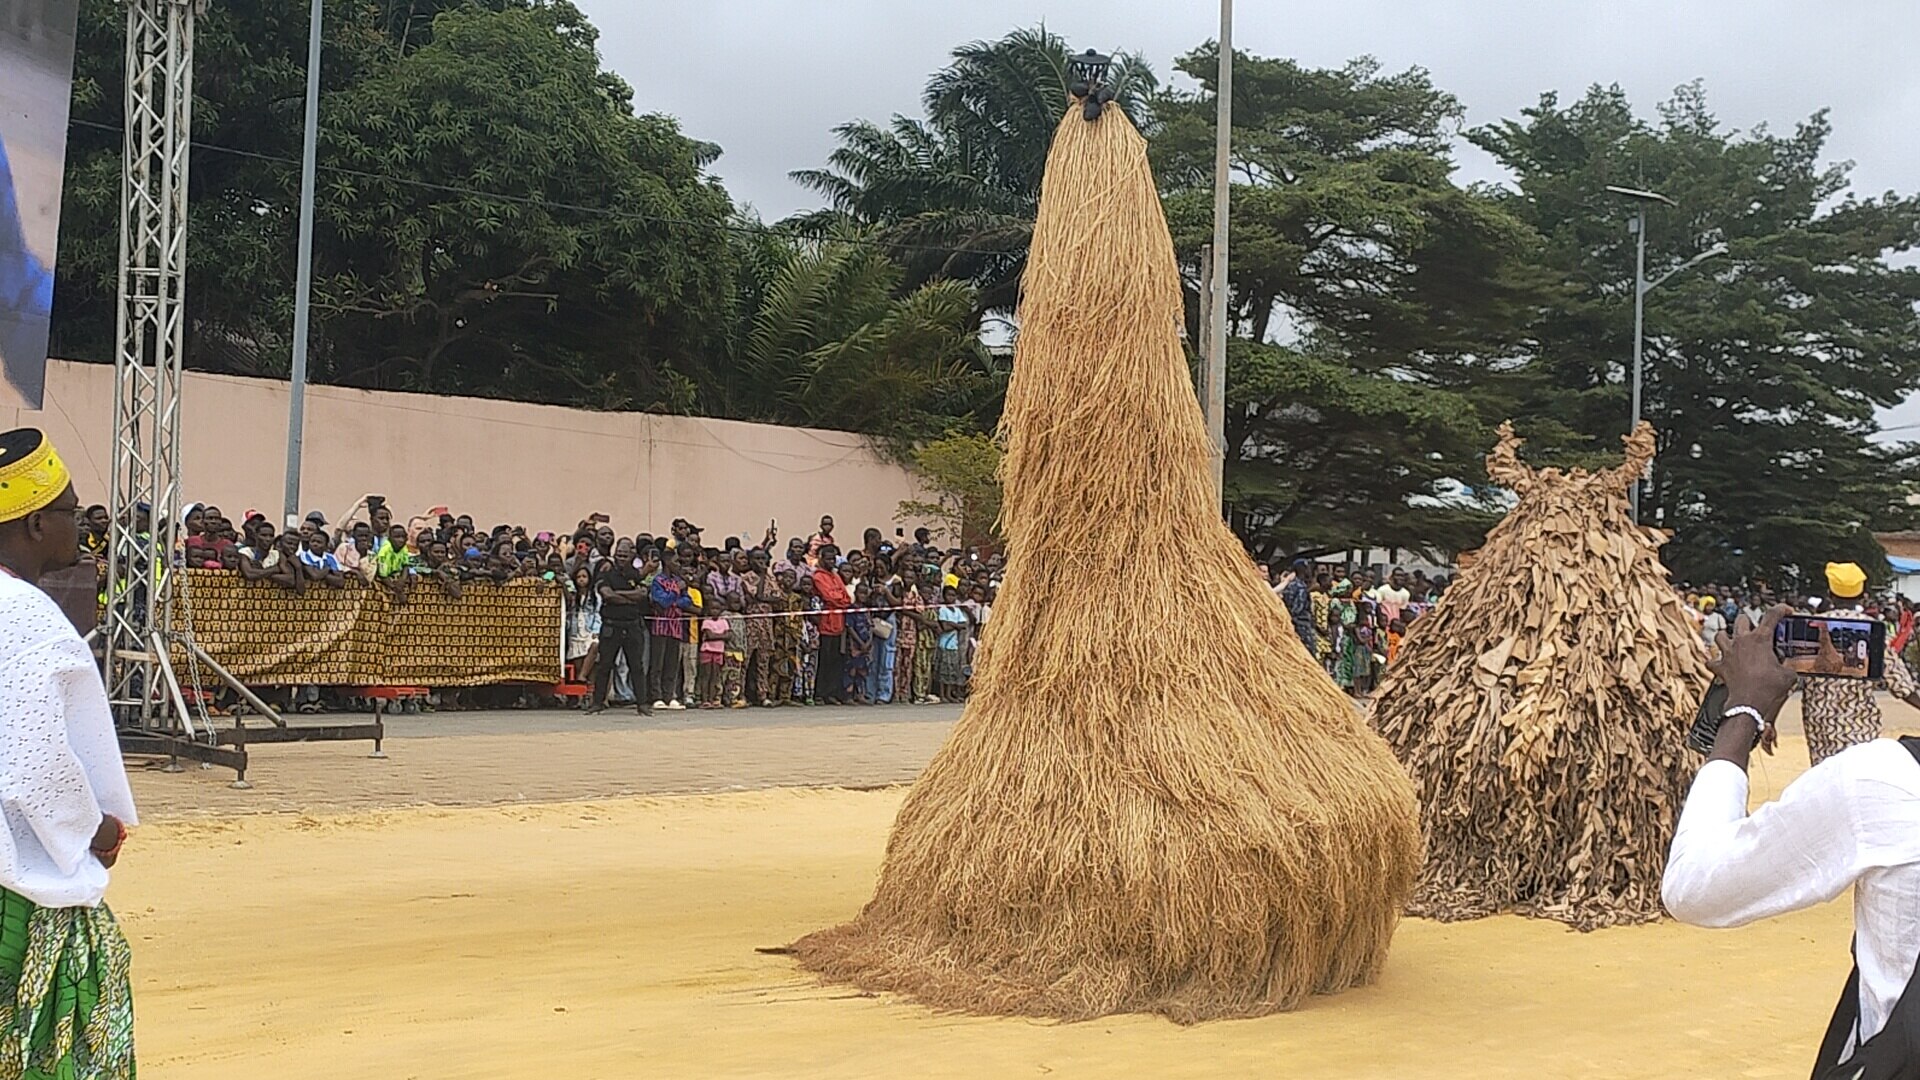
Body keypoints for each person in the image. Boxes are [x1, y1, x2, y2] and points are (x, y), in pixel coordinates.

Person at [1664, 604, 1920, 1077]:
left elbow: (1691, 888)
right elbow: (1904, 687)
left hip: (1840, 768)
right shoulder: (1869, 636)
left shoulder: (1883, 778)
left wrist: (1743, 711)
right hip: (1856, 754)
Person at [0, 428, 140, 1080]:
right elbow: (35, 766)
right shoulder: (26, 616)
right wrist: (99, 829)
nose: (84, 531)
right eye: (72, 514)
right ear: (33, 523)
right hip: (17, 888)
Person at [1799, 562, 1920, 766]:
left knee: (1826, 777)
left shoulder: (1811, 628)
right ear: (1863, 595)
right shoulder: (1873, 631)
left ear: (1830, 594)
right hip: (1861, 726)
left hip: (1820, 726)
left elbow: (1785, 681)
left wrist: (1768, 720)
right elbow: (1901, 684)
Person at [588, 539, 651, 716]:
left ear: (632, 555)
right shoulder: (606, 573)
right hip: (611, 626)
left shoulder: (637, 574)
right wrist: (629, 598)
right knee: (604, 666)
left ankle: (642, 704)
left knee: (637, 666)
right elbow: (606, 595)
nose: (622, 558)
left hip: (632, 626)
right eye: (619, 555)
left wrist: (619, 595)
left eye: (625, 555)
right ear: (614, 555)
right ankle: (597, 703)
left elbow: (643, 595)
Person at [647, 550, 694, 710]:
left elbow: (687, 601)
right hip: (661, 626)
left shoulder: (679, 580)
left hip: (676, 626)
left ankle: (670, 695)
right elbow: (661, 602)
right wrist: (675, 591)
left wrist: (674, 598)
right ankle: (656, 695)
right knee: (658, 662)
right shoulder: (657, 581)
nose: (679, 565)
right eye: (676, 561)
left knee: (672, 663)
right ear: (667, 562)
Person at [812, 548, 852, 704]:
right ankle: (820, 693)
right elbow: (829, 597)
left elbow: (846, 598)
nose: (831, 562)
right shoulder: (818, 576)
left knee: (836, 660)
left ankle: (831, 693)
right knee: (824, 660)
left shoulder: (835, 576)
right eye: (828, 559)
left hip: (839, 623)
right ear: (821, 559)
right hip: (825, 624)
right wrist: (839, 600)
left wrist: (839, 600)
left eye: (833, 559)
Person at [935, 585, 969, 702]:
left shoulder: (957, 610)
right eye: (949, 595)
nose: (951, 598)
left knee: (951, 671)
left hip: (954, 645)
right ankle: (942, 694)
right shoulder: (943, 609)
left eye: (953, 595)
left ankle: (949, 694)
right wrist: (956, 625)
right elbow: (944, 627)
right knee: (943, 671)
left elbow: (964, 625)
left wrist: (952, 624)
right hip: (944, 644)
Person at [697, 601, 730, 708]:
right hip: (707, 650)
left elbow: (729, 636)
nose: (715, 611)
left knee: (715, 676)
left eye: (717, 609)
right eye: (712, 609)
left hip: (719, 651)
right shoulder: (706, 622)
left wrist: (715, 635)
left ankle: (712, 699)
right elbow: (709, 636)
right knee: (706, 675)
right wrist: (721, 635)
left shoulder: (724, 621)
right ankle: (704, 699)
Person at [1280, 558, 1315, 655]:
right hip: (1300, 624)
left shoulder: (1290, 584)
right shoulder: (1300, 587)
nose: (1309, 570)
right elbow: (1297, 609)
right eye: (1307, 567)